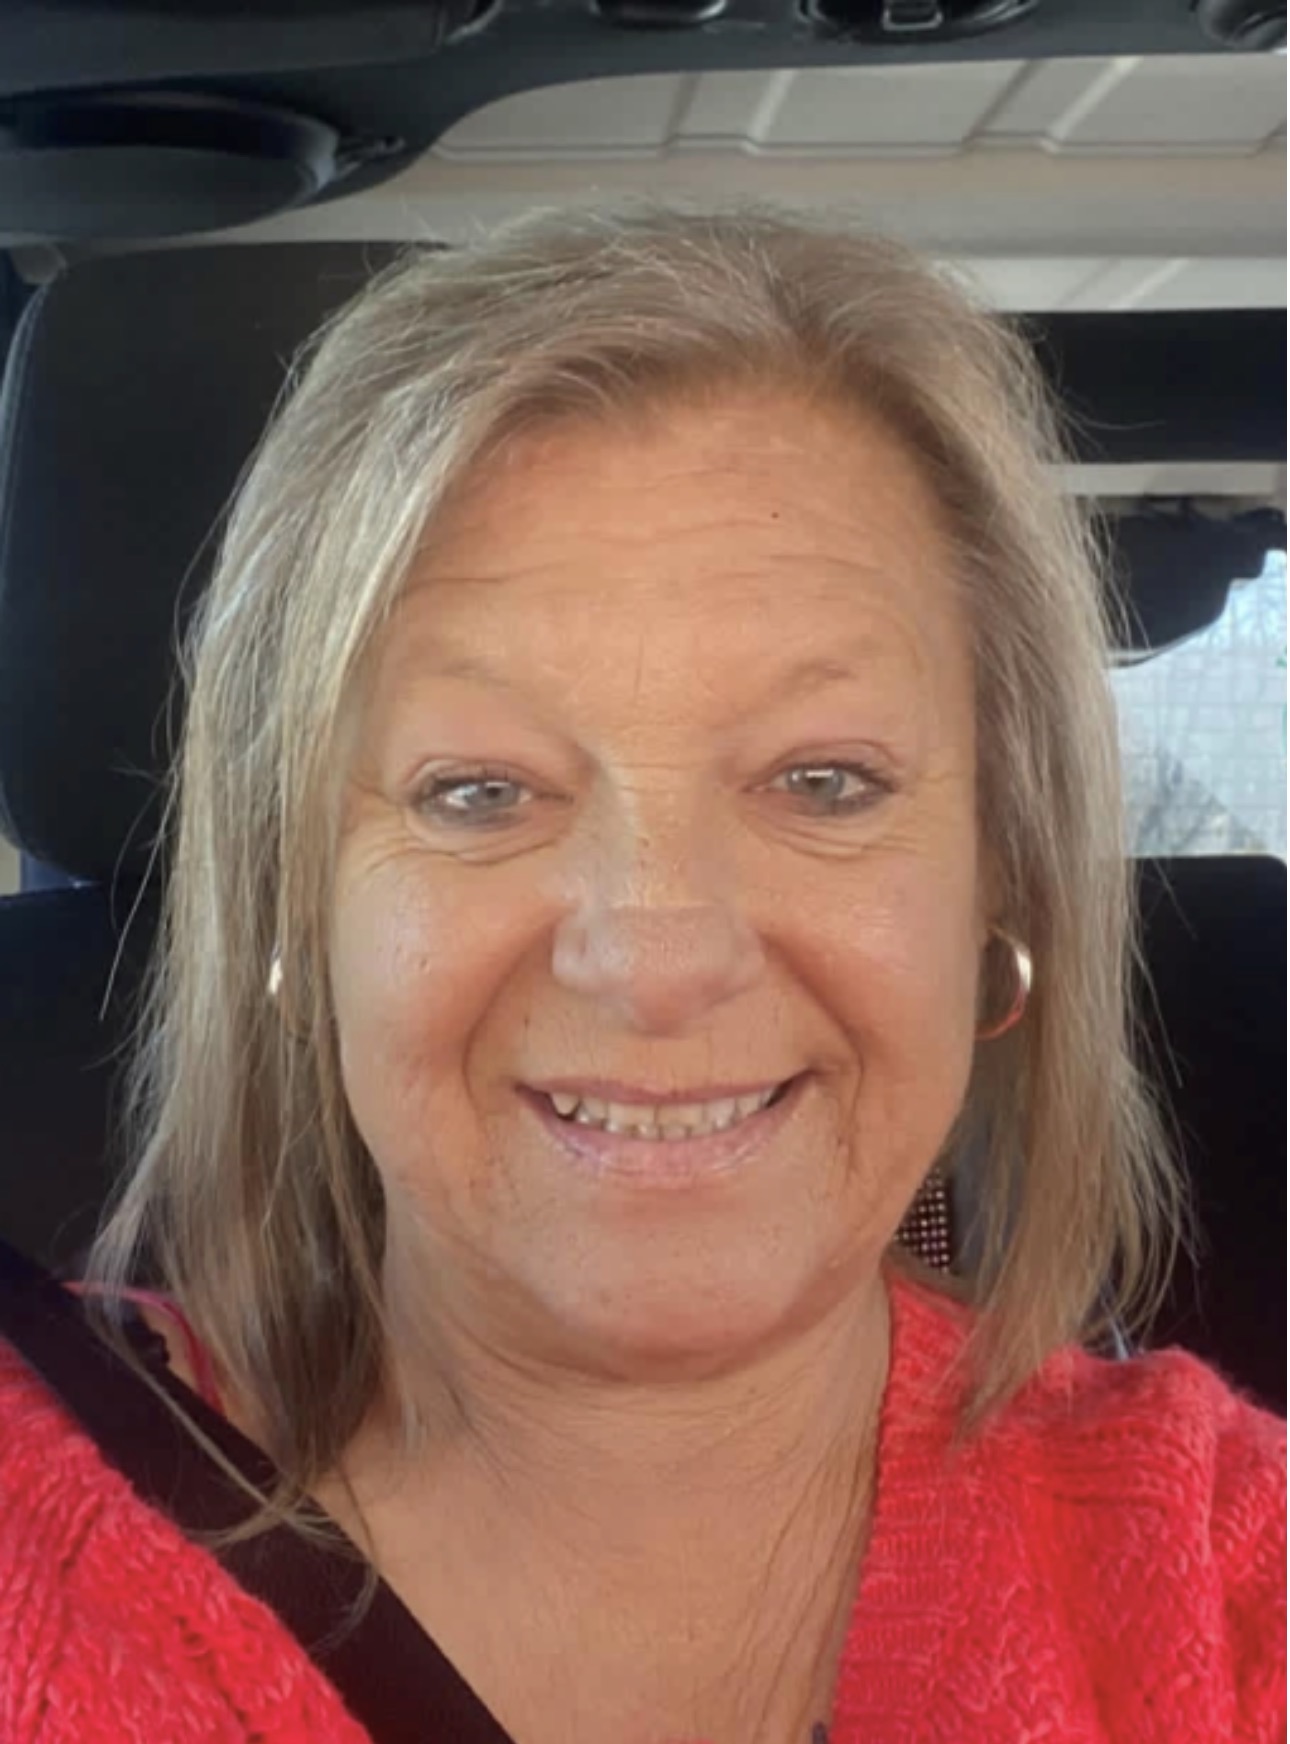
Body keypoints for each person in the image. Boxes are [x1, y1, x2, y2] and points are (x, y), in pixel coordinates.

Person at [0, 203, 1284, 1744]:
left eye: (822, 782)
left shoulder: (1224, 1575)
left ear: (995, 884)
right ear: (295, 912)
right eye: (478, 791)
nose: (656, 962)